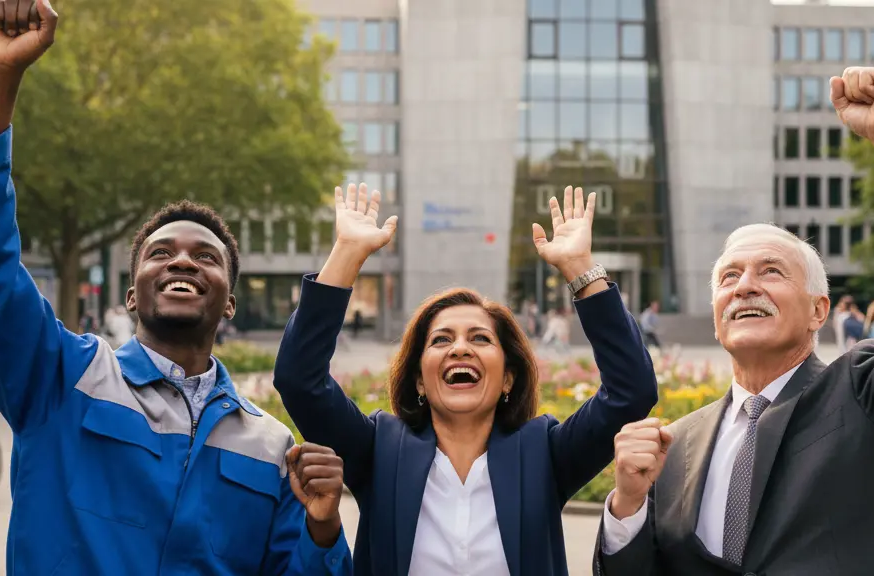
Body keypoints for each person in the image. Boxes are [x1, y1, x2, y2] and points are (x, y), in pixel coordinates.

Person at [0, 2, 351, 574]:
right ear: (132, 293)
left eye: (206, 257)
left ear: (228, 299)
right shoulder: (60, 376)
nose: (182, 261)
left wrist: (325, 529)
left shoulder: (272, 447)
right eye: (161, 253)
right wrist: (0, 78)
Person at [594, 66, 874, 575]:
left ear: (818, 310)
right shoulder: (673, 445)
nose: (745, 285)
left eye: (771, 271)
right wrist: (626, 507)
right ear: (718, 320)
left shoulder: (871, 393)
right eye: (729, 277)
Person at [274, 183, 659, 576]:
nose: (460, 349)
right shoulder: (379, 450)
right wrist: (347, 253)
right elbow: (299, 379)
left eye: (480, 338)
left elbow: (631, 391)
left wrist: (580, 268)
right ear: (419, 381)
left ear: (508, 378)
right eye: (441, 340)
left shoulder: (543, 453)